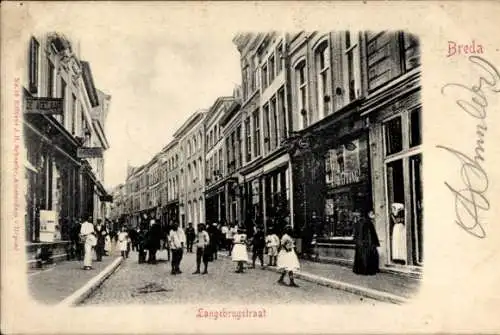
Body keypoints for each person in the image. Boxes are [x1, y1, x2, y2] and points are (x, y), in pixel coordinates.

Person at [353, 210, 380, 275]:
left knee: (361, 257)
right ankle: (368, 270)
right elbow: (371, 234)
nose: (374, 215)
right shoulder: (368, 223)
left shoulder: (359, 222)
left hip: (360, 243)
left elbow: (356, 234)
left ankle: (360, 270)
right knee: (369, 256)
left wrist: (357, 241)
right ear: (368, 214)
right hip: (367, 243)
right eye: (372, 214)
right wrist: (374, 243)